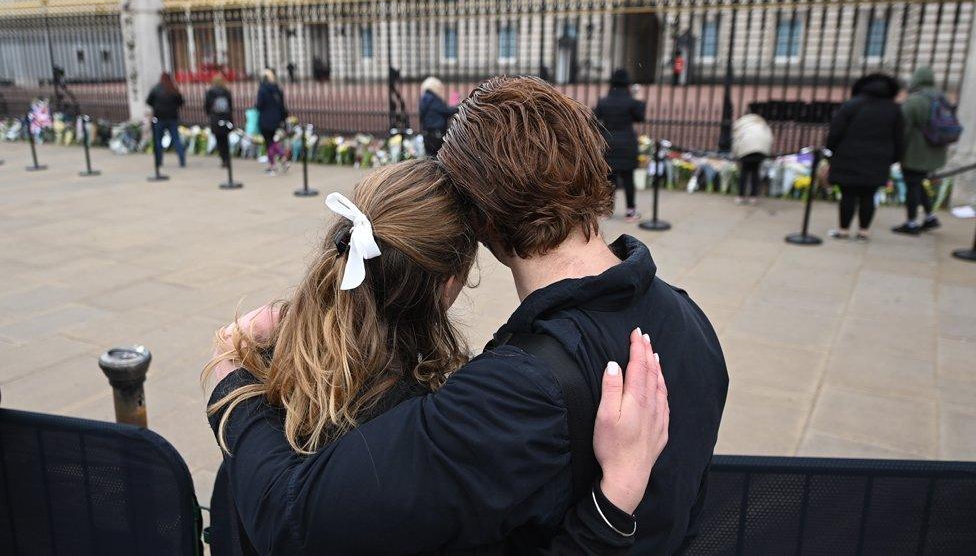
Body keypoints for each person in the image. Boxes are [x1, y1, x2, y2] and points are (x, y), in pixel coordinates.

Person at [207, 76, 728, 554]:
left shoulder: (513, 393)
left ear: (479, 221)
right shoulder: (690, 321)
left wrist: (232, 381)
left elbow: (296, 523)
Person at [826, 73, 905, 240]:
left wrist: (831, 150)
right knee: (869, 195)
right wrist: (894, 157)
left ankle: (843, 230)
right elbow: (899, 138)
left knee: (847, 194)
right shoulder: (894, 110)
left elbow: (835, 132)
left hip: (849, 156)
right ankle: (863, 231)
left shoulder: (851, 105)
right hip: (878, 159)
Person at [892, 66, 948, 235]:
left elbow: (903, 128)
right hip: (936, 151)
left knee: (912, 186)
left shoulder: (915, 100)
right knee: (919, 183)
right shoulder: (941, 97)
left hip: (916, 152)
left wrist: (898, 151)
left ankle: (911, 222)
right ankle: (930, 217)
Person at [595, 68, 645, 221]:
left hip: (609, 142)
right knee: (628, 178)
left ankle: (606, 211)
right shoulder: (631, 102)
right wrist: (640, 98)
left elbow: (596, 119)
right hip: (627, 143)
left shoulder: (604, 101)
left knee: (610, 178)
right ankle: (630, 211)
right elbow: (640, 117)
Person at [731, 112, 774, 205]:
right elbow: (769, 137)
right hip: (760, 150)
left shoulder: (741, 124)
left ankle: (741, 196)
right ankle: (753, 197)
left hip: (746, 149)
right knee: (755, 172)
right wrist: (767, 152)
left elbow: (736, 139)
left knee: (744, 172)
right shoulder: (761, 123)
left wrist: (735, 154)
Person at [146, 72, 186, 168]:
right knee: (176, 139)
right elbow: (181, 102)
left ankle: (159, 161)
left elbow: (148, 101)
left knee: (158, 140)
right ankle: (182, 160)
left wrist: (156, 106)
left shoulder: (155, 89)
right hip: (172, 117)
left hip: (159, 117)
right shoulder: (173, 89)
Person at [255, 68, 288, 174]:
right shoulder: (277, 89)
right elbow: (282, 105)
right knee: (271, 141)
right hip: (276, 118)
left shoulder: (263, 89)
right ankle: (273, 163)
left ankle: (278, 160)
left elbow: (259, 105)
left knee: (269, 142)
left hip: (265, 118)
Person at [418, 76, 457, 158]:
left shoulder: (425, 98)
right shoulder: (433, 98)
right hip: (436, 134)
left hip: (428, 134)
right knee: (437, 159)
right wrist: (459, 107)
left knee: (430, 158)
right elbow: (446, 111)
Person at [204, 74, 233, 168]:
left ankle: (223, 158)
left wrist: (210, 114)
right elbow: (230, 106)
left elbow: (207, 106)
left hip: (215, 118)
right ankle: (227, 158)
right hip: (225, 117)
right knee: (225, 139)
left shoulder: (210, 92)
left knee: (219, 140)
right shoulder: (226, 92)